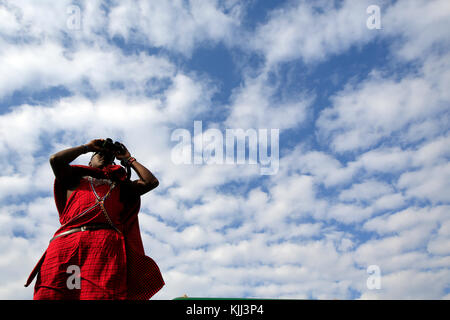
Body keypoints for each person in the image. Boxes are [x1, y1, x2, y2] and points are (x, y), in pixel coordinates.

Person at [25, 139, 164, 300]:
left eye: (109, 157)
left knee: (101, 294)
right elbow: (56, 159)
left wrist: (128, 158)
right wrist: (87, 147)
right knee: (55, 291)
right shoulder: (74, 179)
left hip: (103, 244)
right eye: (99, 154)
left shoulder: (120, 186)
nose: (105, 157)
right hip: (66, 242)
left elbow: (151, 182)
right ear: (90, 161)